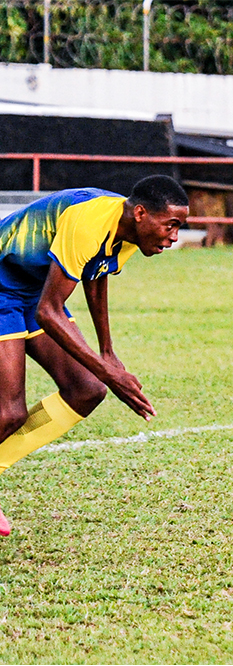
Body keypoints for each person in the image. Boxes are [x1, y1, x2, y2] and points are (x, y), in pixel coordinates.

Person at [0, 175, 189, 535]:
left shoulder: (129, 232)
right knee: (9, 413)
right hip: (3, 282)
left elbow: (96, 274)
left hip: (33, 288)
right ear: (141, 213)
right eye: (171, 225)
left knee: (86, 390)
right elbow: (49, 313)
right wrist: (108, 371)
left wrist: (108, 352)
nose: (174, 236)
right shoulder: (89, 219)